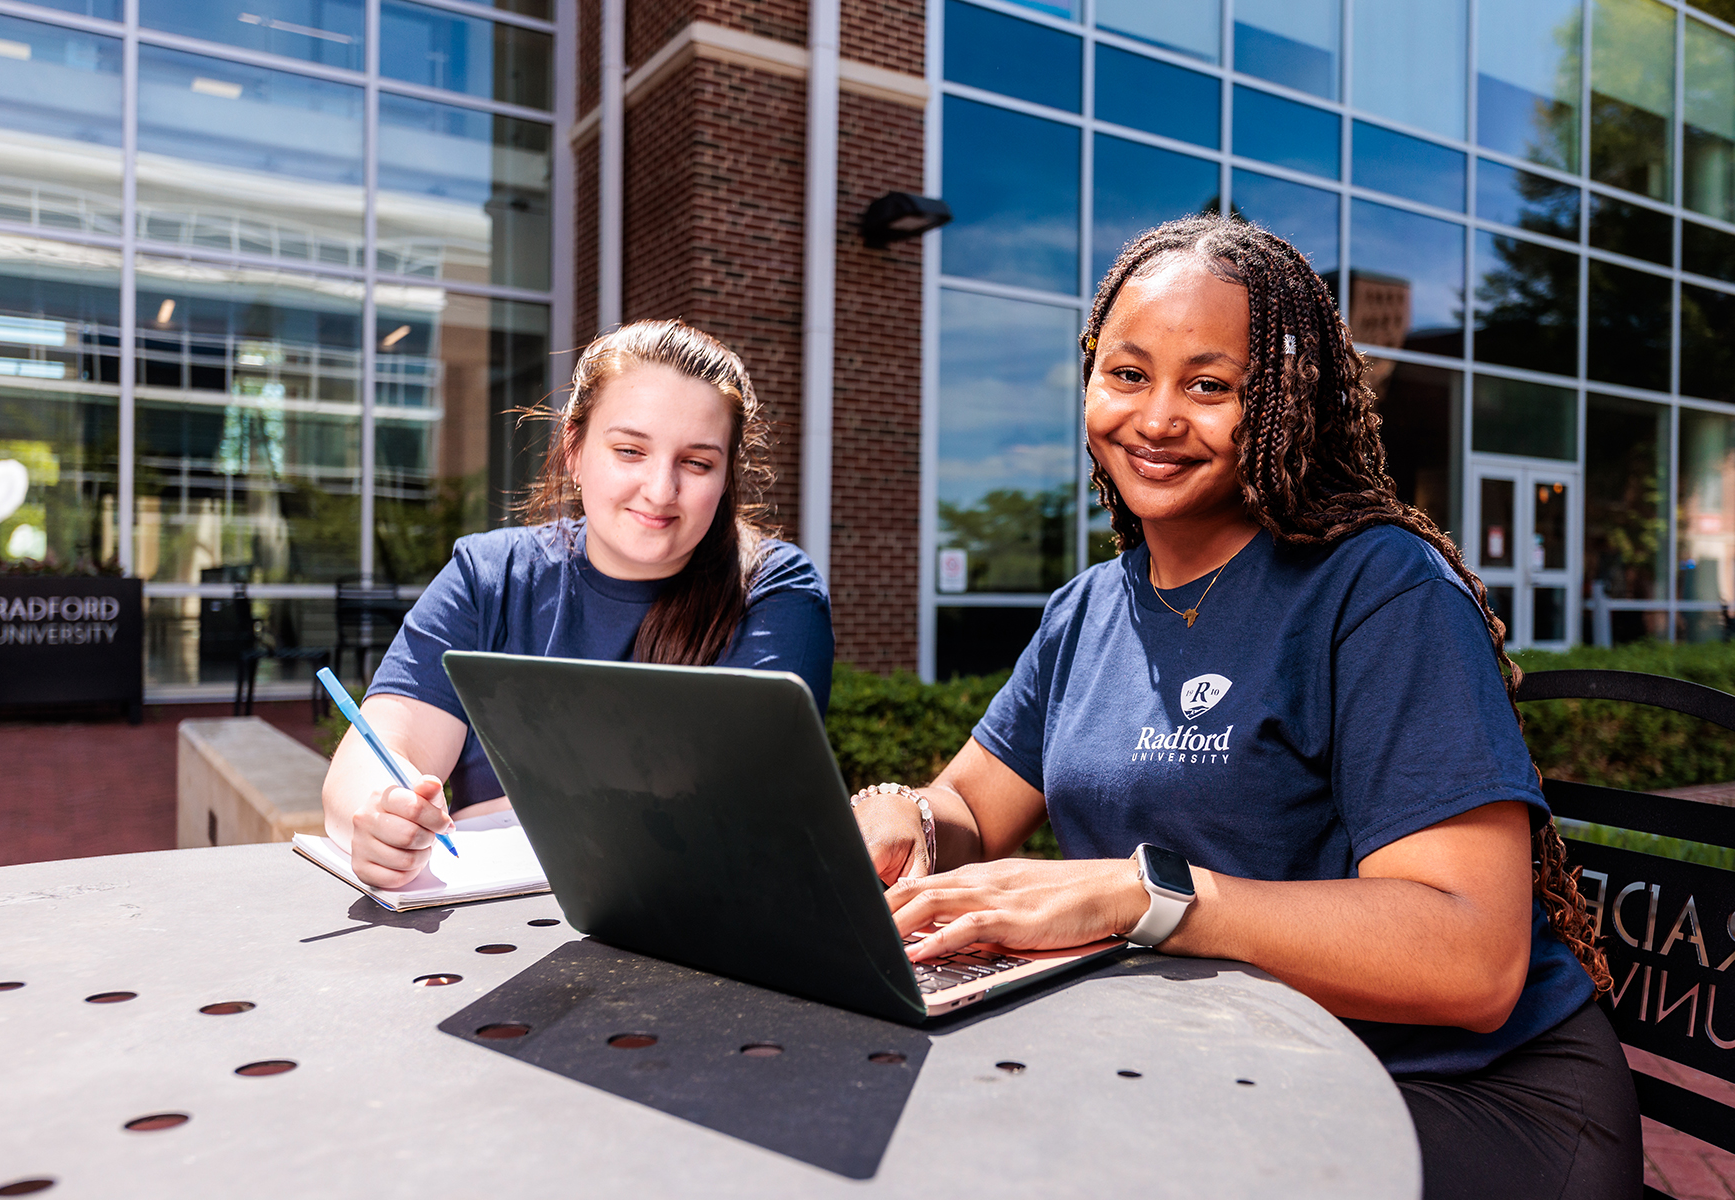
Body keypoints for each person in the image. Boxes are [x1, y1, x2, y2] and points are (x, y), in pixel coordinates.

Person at [850, 216, 1638, 1200]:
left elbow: (1473, 957)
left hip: (1457, 1094)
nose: (1157, 418)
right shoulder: (1089, 610)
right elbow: (969, 807)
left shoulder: (1379, 588)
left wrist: (1148, 897)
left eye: (1209, 386)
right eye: (1128, 374)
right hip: (1229, 1067)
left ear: (1280, 404)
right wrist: (904, 815)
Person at [322, 319, 833, 888]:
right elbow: (381, 751)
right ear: (574, 450)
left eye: (696, 462)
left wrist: (483, 816)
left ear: (726, 477)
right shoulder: (489, 576)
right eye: (630, 450)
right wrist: (381, 816)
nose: (661, 490)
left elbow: (735, 804)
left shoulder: (772, 589)